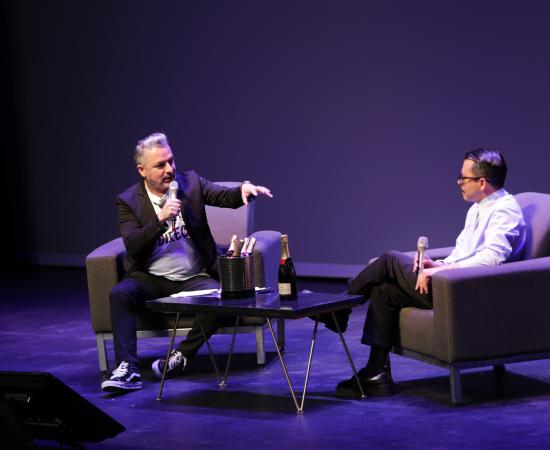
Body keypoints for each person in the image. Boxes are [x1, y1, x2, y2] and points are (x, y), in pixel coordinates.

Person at [333, 148, 526, 397]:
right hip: (454, 282)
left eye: (463, 178)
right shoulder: (478, 208)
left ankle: (339, 306)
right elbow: (463, 252)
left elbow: (492, 260)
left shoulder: (505, 210)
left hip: (469, 291)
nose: (459, 183)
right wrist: (437, 264)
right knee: (384, 291)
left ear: (482, 182)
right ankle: (376, 371)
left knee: (390, 259)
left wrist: (443, 271)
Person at [101, 132, 273, 392]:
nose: (169, 169)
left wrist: (243, 190)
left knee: (223, 300)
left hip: (194, 278)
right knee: (119, 294)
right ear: (142, 170)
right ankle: (128, 369)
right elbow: (133, 244)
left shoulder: (190, 183)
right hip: (150, 278)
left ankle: (180, 356)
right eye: (160, 165)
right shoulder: (128, 201)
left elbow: (223, 196)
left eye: (171, 161)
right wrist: (159, 219)